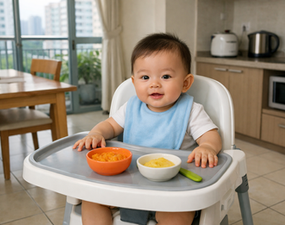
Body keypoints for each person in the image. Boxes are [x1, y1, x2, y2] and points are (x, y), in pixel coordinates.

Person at [73, 33, 222, 225]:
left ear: (185, 83)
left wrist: (207, 147)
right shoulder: (131, 107)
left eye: (166, 76)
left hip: (172, 190)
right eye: (145, 77)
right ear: (134, 82)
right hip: (128, 184)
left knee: (179, 215)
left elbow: (211, 136)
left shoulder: (191, 110)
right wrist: (96, 133)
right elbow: (110, 125)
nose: (154, 83)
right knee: (92, 199)